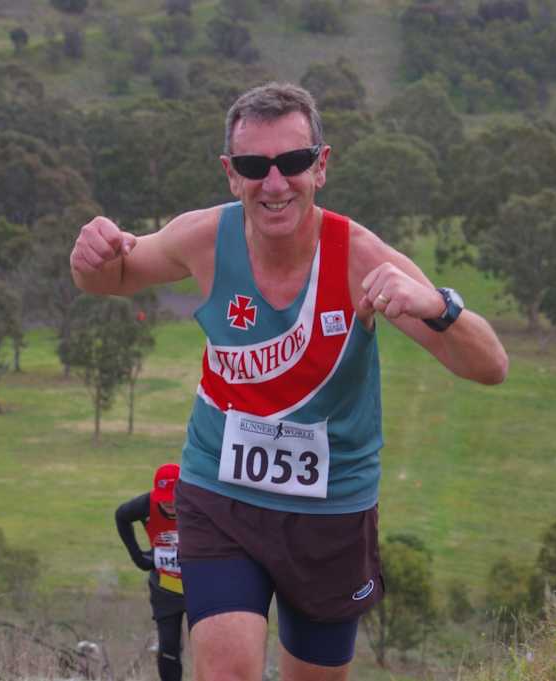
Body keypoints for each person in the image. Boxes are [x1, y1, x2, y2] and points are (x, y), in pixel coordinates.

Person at [74, 82, 509, 681]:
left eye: (294, 162)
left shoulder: (360, 258)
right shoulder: (203, 238)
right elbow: (113, 278)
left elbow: (490, 366)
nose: (275, 184)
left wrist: (436, 304)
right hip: (220, 493)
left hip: (330, 511)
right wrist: (89, 258)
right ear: (232, 174)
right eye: (255, 166)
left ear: (320, 166)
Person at [115, 463, 185, 681]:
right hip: (165, 587)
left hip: (200, 587)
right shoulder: (146, 505)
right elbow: (121, 516)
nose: (169, 503)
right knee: (168, 647)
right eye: (164, 498)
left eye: (173, 498)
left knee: (209, 644)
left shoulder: (199, 505)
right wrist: (139, 557)